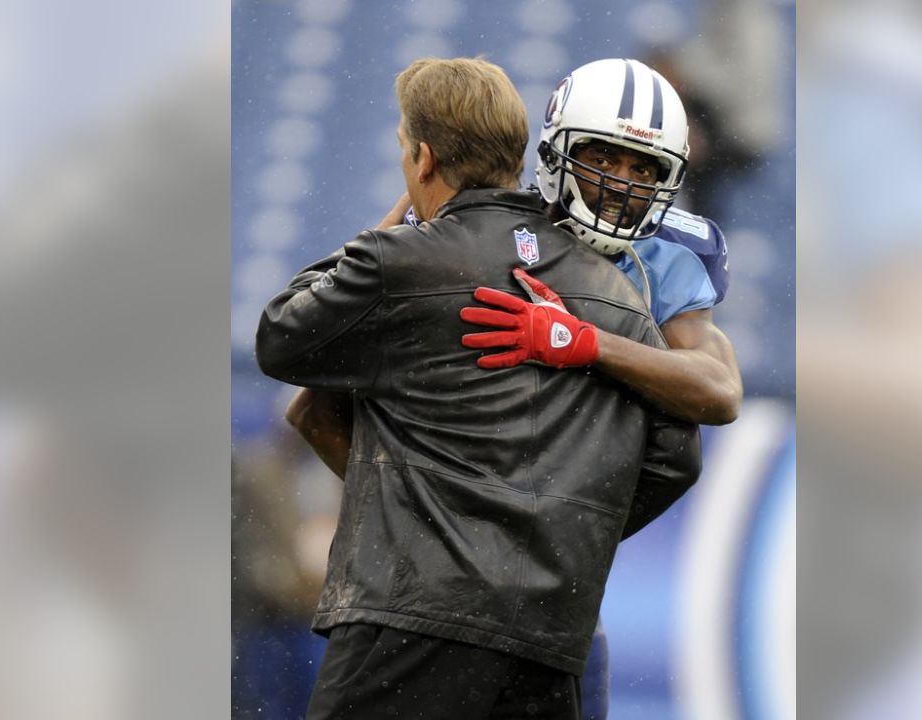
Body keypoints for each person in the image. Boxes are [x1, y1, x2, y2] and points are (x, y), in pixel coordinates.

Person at [289, 58, 744, 720]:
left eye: (643, 169)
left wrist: (582, 343)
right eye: (605, 157)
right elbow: (312, 408)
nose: (620, 183)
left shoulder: (670, 258)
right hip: (496, 598)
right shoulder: (486, 231)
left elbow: (717, 391)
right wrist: (457, 517)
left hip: (527, 608)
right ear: (558, 151)